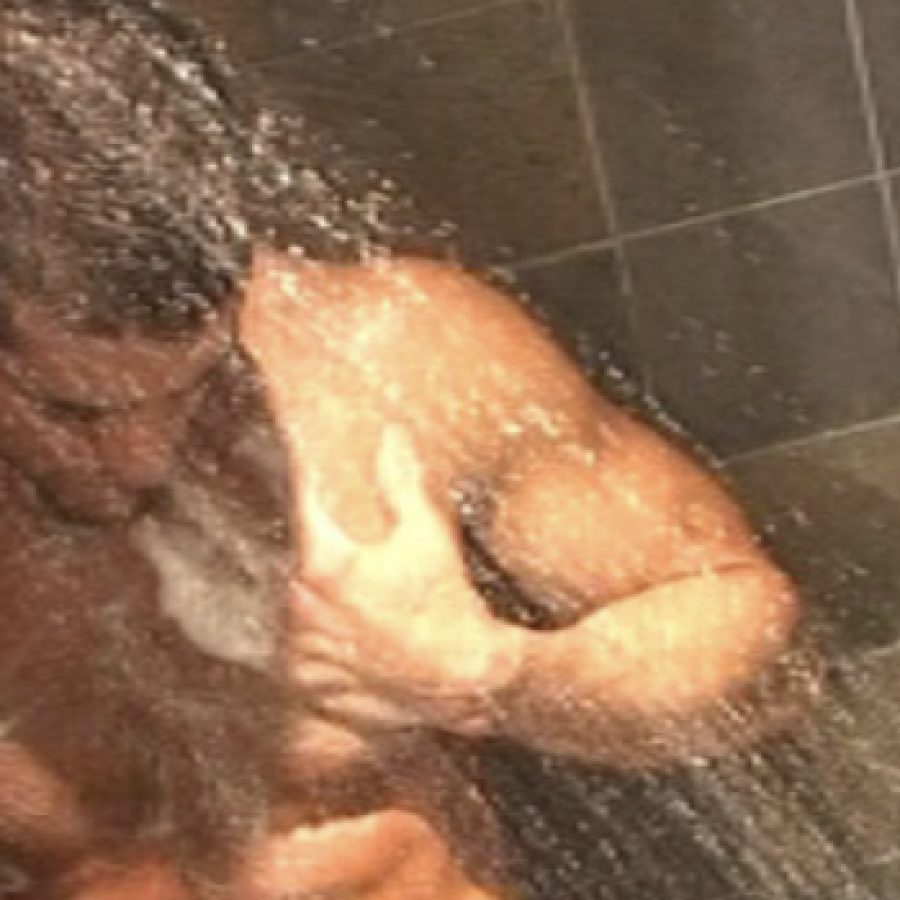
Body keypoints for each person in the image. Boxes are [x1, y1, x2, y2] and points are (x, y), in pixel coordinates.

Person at [0, 1, 817, 898]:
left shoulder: (393, 355)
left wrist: (502, 675)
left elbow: (768, 663)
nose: (142, 455)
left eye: (197, 384)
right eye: (68, 411)